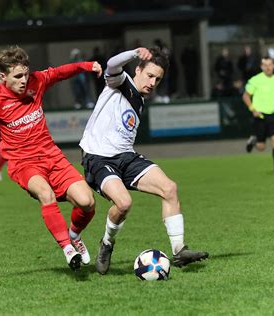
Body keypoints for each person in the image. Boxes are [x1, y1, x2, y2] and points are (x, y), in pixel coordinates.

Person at [0, 46, 103, 271]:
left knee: (87, 203)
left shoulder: (36, 82)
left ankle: (74, 235)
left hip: (51, 155)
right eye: (17, 76)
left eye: (26, 74)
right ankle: (68, 250)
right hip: (23, 163)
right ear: (3, 76)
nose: (23, 80)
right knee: (45, 194)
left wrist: (87, 65)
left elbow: (60, 72)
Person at [79, 47, 209, 275]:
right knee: (124, 203)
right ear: (138, 69)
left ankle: (179, 250)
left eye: (157, 79)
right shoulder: (121, 82)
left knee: (169, 188)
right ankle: (107, 244)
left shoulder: (139, 100)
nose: (152, 82)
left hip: (126, 156)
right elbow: (111, 63)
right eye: (149, 75)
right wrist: (133, 53)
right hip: (98, 158)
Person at [242, 56, 274, 176]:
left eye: (270, 65)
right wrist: (253, 109)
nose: (268, 67)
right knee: (261, 148)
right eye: (265, 65)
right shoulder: (255, 80)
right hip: (260, 116)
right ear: (261, 67)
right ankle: (254, 141)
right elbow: (245, 96)